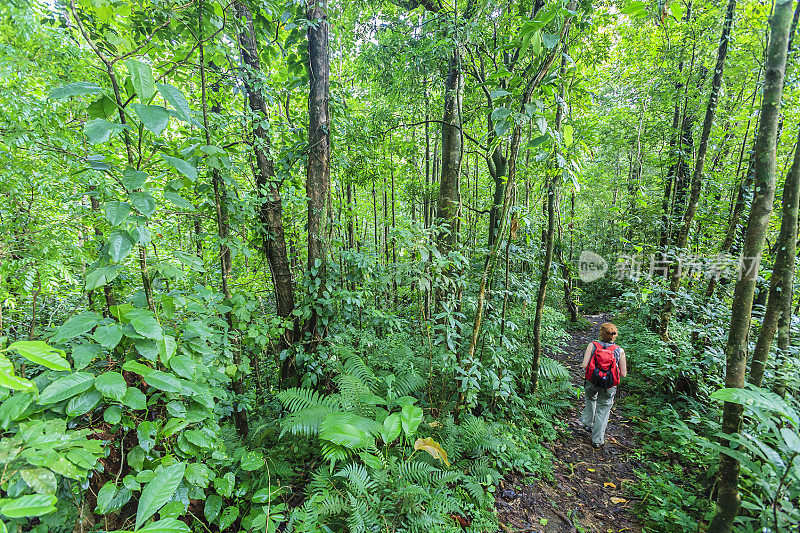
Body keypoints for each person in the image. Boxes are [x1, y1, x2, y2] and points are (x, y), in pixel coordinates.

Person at [580, 322, 627, 449]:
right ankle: (597, 439)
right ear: (614, 336)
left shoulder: (592, 345)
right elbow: (623, 374)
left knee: (590, 398)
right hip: (609, 385)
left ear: (601, 334)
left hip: (592, 380)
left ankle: (588, 423)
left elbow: (584, 365)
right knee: (603, 409)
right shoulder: (619, 351)